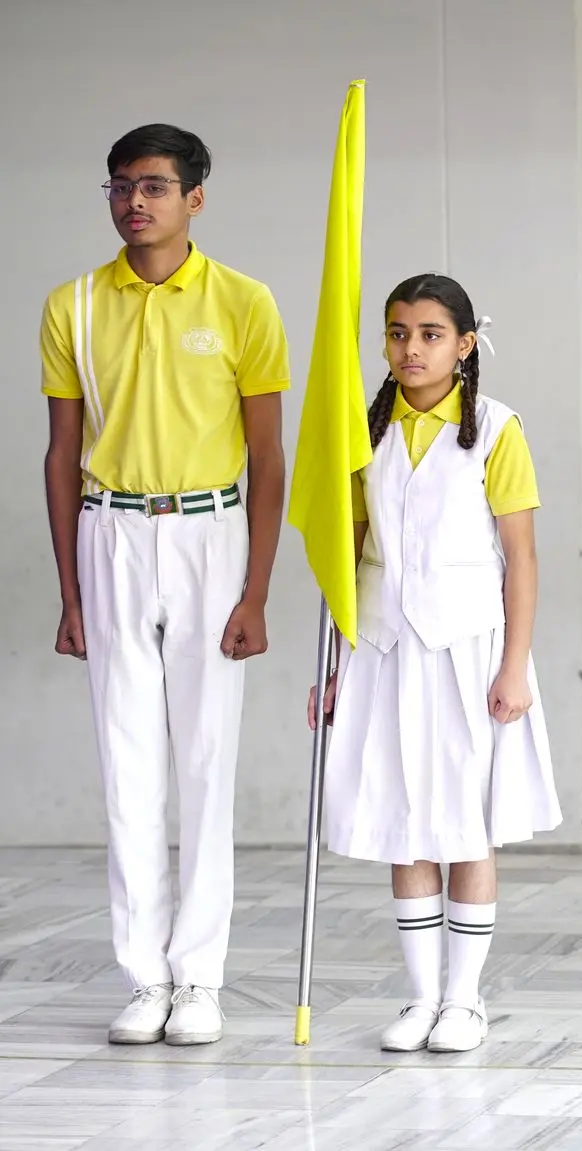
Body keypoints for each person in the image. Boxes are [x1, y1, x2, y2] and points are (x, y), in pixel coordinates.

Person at [40, 124, 288, 1047]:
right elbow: (61, 454)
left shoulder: (243, 301)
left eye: (153, 185)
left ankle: (200, 977)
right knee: (127, 760)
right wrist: (71, 592)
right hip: (109, 532)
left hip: (210, 534)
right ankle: (144, 975)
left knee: (205, 762)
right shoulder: (72, 305)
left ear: (195, 198)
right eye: (119, 186)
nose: (134, 201)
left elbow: (268, 456)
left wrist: (256, 590)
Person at [307, 274, 558, 1055]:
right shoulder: (365, 430)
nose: (411, 348)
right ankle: (420, 996)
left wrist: (515, 665)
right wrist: (333, 668)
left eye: (429, 334)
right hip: (384, 649)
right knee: (404, 822)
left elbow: (521, 558)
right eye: (397, 333)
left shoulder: (497, 430)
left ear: (465, 344)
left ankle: (463, 998)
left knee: (465, 824)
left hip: (468, 651)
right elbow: (346, 554)